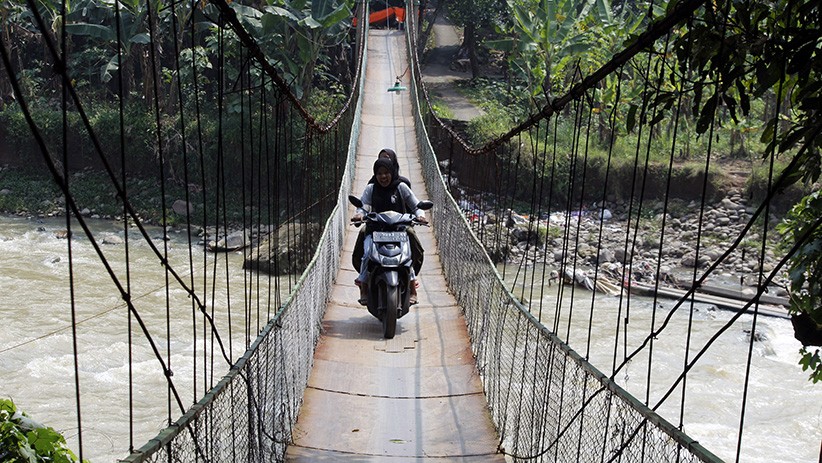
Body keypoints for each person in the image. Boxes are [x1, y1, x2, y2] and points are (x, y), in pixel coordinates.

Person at [352, 157, 428, 305]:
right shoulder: (371, 188)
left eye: (386, 172)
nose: (383, 176)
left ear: (392, 172)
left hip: (399, 228)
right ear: (375, 174)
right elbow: (363, 206)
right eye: (379, 173)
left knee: (408, 253)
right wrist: (359, 214)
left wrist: (420, 216)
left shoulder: (401, 187)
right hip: (376, 229)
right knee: (367, 251)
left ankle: (412, 287)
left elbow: (416, 205)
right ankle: (364, 285)